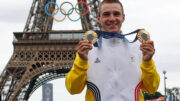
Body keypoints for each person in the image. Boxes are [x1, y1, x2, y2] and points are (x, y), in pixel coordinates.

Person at [65, 0, 160, 101]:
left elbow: (152, 88)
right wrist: (81, 61)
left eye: (116, 14)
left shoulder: (139, 48)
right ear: (99, 18)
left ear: (123, 17)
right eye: (106, 14)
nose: (112, 18)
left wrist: (147, 62)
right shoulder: (87, 51)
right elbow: (73, 89)